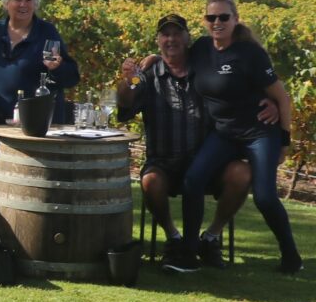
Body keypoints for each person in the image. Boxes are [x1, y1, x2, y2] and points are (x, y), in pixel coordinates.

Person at [116, 14, 276, 270]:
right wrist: (129, 80)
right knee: (150, 181)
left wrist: (272, 103)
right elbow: (125, 103)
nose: (171, 39)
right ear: (158, 40)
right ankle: (174, 238)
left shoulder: (206, 72)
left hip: (207, 164)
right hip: (164, 164)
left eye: (177, 33)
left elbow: (243, 87)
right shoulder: (147, 75)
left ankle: (210, 237)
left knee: (242, 172)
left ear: (187, 38)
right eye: (165, 34)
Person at [176, 0, 302, 274]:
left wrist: (283, 142)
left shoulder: (250, 54)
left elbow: (282, 98)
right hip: (224, 134)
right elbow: (173, 59)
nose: (217, 23)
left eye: (223, 17)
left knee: (265, 197)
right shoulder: (200, 48)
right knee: (192, 180)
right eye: (211, 18)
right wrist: (149, 60)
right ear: (205, 22)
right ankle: (190, 249)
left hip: (259, 133)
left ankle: (291, 255)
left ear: (235, 20)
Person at [0, 0, 79, 163]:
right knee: (5, 182)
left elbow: (72, 77)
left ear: (36, 4)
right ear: (6, 3)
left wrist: (58, 67)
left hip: (38, 129)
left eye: (28, 0)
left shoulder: (47, 33)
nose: (23, 4)